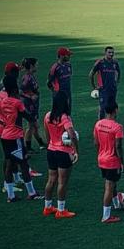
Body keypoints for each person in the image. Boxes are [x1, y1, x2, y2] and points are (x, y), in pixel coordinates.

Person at [0, 75, 42, 203]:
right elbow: (26, 115)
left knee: (9, 164)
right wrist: (33, 121)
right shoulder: (17, 103)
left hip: (5, 136)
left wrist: (1, 122)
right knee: (23, 164)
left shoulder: (2, 102)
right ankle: (32, 193)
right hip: (15, 136)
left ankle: (10, 196)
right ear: (16, 90)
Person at [42, 90, 78, 218]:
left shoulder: (48, 116)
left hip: (51, 151)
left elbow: (47, 134)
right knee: (62, 182)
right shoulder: (65, 117)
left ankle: (47, 207)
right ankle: (61, 210)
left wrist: (50, 144)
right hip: (63, 153)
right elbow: (72, 134)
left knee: (51, 180)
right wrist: (75, 150)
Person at [93, 100, 124, 224]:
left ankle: (116, 204)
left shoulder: (98, 124)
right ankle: (106, 216)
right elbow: (118, 147)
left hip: (102, 159)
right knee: (109, 187)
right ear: (116, 110)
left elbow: (96, 143)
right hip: (112, 161)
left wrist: (100, 154)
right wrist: (122, 162)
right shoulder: (117, 127)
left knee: (112, 183)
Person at [20, 58, 46, 153]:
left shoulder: (31, 76)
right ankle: (28, 147)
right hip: (29, 105)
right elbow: (20, 91)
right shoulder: (27, 78)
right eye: (36, 64)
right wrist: (30, 97)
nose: (37, 66)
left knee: (35, 125)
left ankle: (41, 144)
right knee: (31, 126)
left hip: (33, 105)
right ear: (31, 66)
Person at [89, 46, 121, 119]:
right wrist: (94, 87)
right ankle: (100, 125)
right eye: (109, 52)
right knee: (102, 108)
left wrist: (117, 82)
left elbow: (118, 72)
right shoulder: (100, 62)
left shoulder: (115, 62)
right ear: (105, 53)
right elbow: (91, 74)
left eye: (112, 52)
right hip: (103, 89)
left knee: (113, 108)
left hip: (113, 89)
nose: (111, 54)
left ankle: (112, 124)